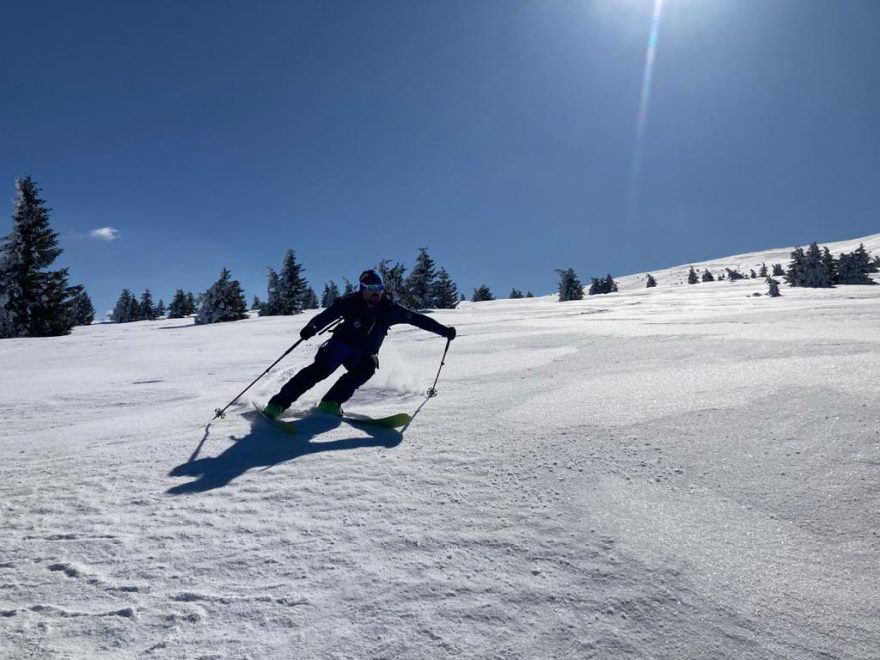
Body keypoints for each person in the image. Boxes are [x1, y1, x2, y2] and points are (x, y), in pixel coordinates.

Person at [263, 269, 456, 419]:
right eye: (371, 289)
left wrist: (444, 331)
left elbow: (418, 319)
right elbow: (326, 316)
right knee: (318, 371)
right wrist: (311, 327)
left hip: (362, 354)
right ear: (362, 289)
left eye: (379, 289)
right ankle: (277, 404)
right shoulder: (349, 303)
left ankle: (330, 403)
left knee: (368, 367)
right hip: (339, 347)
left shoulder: (389, 310)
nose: (375, 294)